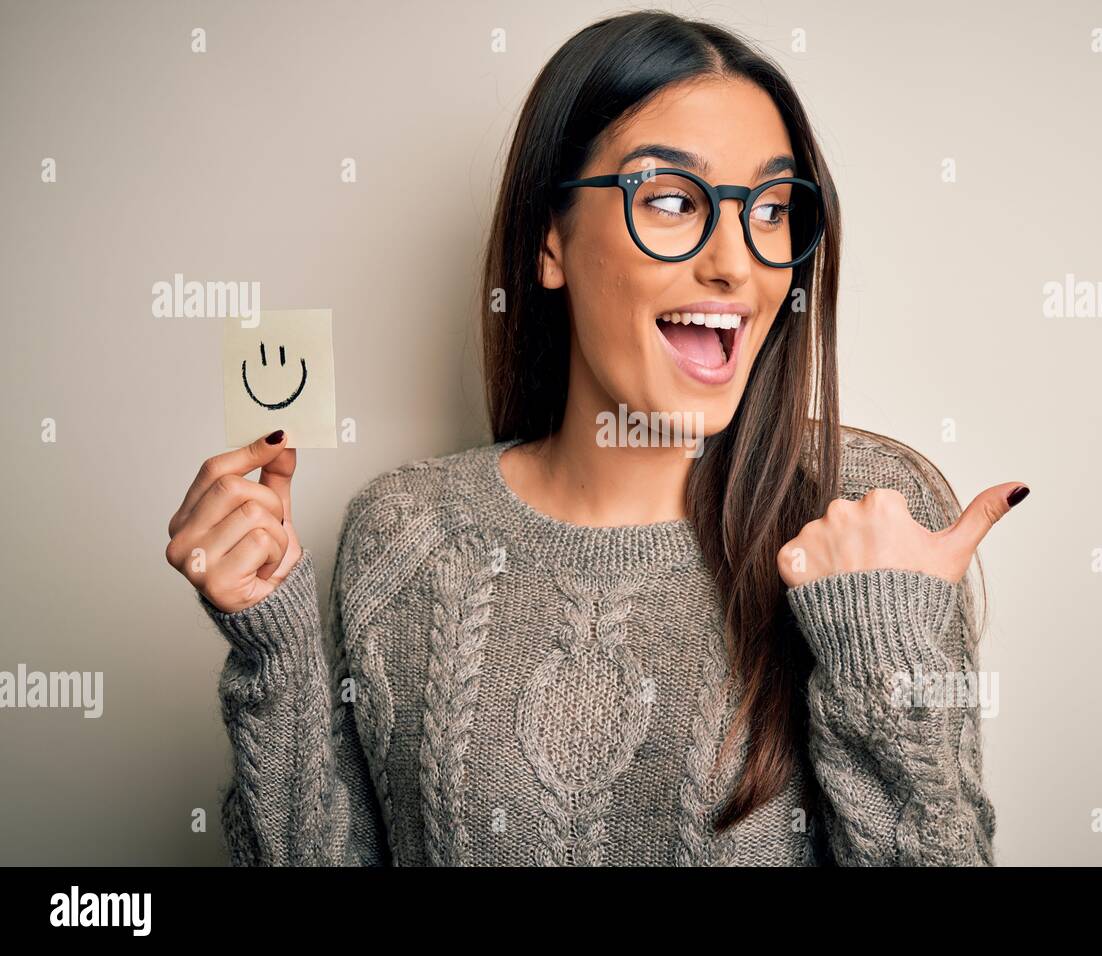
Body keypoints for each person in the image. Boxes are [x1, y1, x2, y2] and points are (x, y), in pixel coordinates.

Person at [164, 10, 1026, 866]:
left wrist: (877, 638)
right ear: (551, 241)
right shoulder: (406, 534)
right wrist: (270, 649)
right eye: (672, 200)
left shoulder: (871, 515)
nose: (736, 262)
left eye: (770, 210)